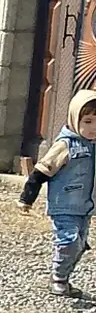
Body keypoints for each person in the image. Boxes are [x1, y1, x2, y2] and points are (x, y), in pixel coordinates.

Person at [18, 89, 96, 296]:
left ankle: (64, 278)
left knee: (79, 245)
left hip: (85, 207)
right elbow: (41, 171)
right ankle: (58, 279)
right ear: (74, 118)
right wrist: (27, 198)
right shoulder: (65, 145)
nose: (93, 128)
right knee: (68, 241)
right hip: (64, 205)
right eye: (87, 121)